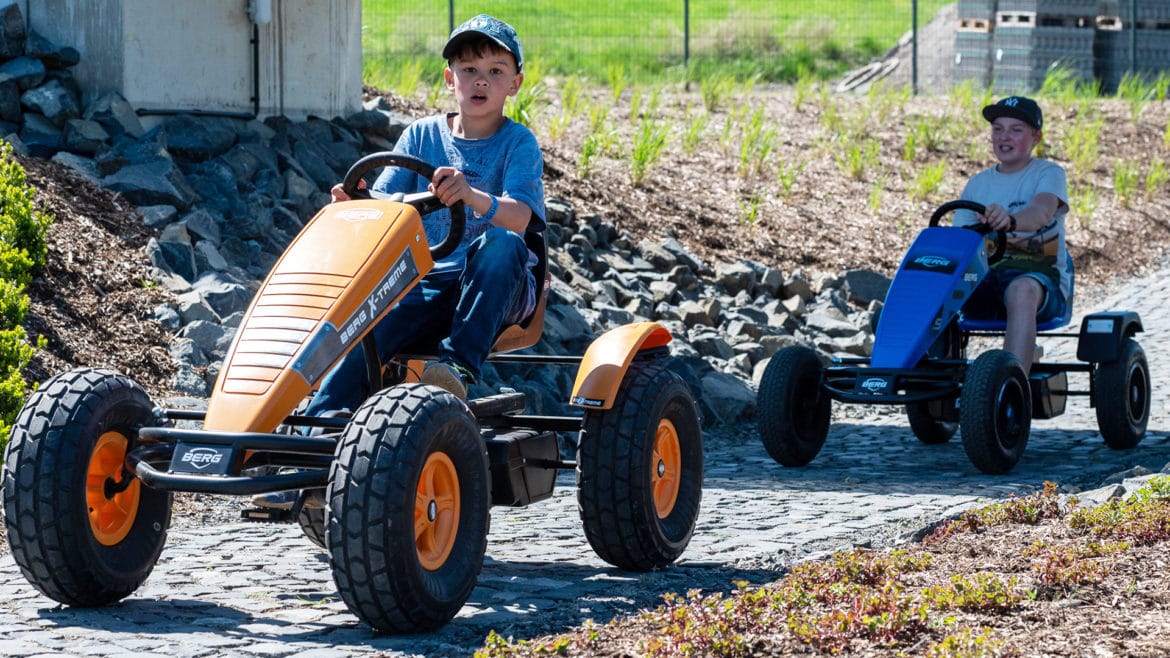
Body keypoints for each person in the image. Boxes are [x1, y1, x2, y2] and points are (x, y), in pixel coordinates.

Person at [311, 13, 544, 409]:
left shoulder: (518, 143)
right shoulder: (422, 135)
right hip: (425, 283)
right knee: (365, 336)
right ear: (450, 79)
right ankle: (317, 434)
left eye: (495, 70)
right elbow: (385, 208)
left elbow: (523, 218)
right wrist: (358, 206)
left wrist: (472, 196)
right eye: (469, 69)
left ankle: (457, 370)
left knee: (501, 242)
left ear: (514, 84)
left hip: (498, 287)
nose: (481, 80)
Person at [955, 95, 1072, 374]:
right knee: (937, 289)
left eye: (1016, 130)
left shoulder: (1048, 174)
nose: (1004, 137)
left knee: (1021, 290)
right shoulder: (978, 183)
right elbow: (958, 239)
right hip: (984, 278)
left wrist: (1009, 221)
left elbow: (1040, 212)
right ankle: (931, 385)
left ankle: (1013, 383)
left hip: (1038, 281)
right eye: (998, 128)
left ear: (1036, 137)